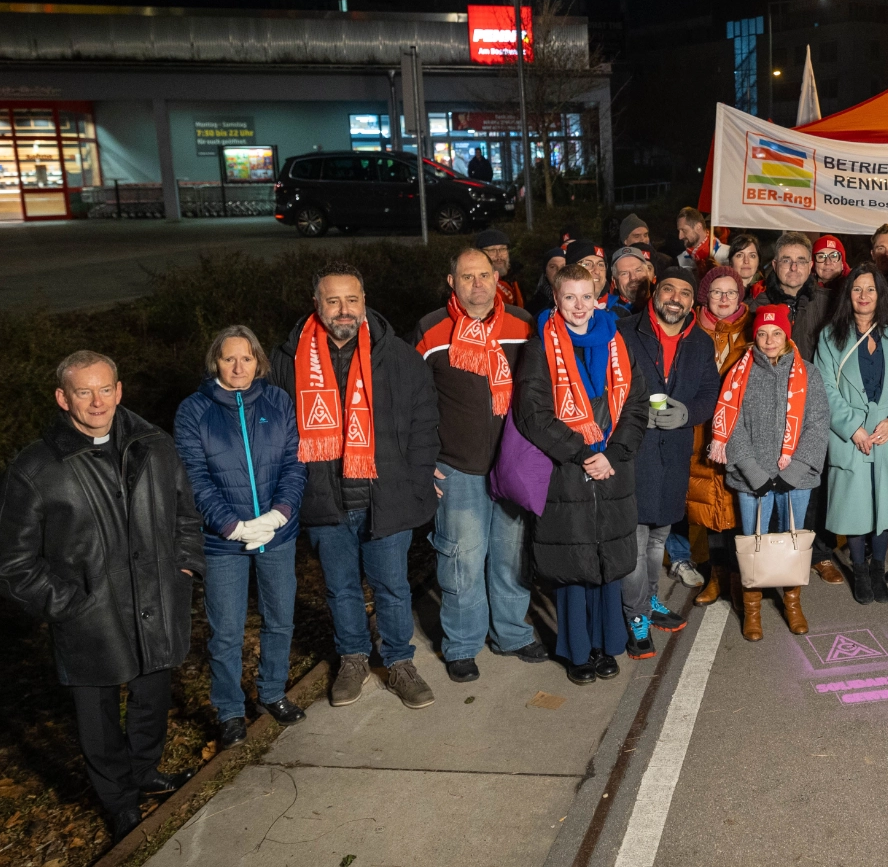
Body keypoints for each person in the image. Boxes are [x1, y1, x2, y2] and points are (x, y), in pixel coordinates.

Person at [0, 351, 204, 838]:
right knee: (99, 719)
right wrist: (69, 604)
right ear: (63, 397)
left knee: (152, 697)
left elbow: (185, 514)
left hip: (156, 602)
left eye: (105, 389)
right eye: (83, 392)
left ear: (120, 390)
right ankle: (119, 800)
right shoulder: (37, 467)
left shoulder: (153, 444)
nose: (97, 401)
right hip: (91, 616)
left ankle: (145, 771)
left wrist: (184, 568)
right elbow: (10, 564)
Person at [269, 263, 440, 710]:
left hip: (385, 499)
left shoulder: (399, 356)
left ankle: (400, 662)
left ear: (364, 301)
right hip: (324, 498)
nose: (343, 310)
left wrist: (417, 480)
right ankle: (353, 658)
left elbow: (425, 423)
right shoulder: (286, 360)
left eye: (352, 300)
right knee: (340, 588)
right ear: (317, 304)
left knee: (392, 587)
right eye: (333, 300)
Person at [410, 246, 548, 684]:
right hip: (457, 466)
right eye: (467, 276)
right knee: (461, 560)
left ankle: (510, 633)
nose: (477, 284)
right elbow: (413, 401)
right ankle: (462, 644)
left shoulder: (523, 325)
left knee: (511, 556)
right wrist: (422, 459)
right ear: (452, 282)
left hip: (511, 464)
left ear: (497, 276)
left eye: (484, 275)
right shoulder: (432, 331)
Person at [174, 327, 309, 750]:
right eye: (229, 359)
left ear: (259, 362)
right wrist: (231, 525)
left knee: (279, 618)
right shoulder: (193, 411)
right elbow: (193, 476)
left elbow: (294, 462)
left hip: (277, 533)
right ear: (215, 361)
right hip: (222, 541)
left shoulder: (278, 401)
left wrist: (277, 515)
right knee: (227, 631)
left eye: (246, 359)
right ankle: (230, 710)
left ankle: (271, 692)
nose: (238, 368)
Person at [515, 265, 651, 684]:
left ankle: (606, 644)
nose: (578, 306)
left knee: (607, 560)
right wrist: (580, 453)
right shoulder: (540, 346)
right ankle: (576, 651)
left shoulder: (618, 341)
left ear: (599, 297)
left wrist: (614, 452)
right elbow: (532, 414)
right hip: (567, 471)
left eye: (585, 296)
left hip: (612, 468)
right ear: (556, 299)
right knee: (572, 563)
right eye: (569, 297)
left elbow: (637, 404)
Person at [709, 304, 830, 640]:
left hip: (796, 478)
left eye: (776, 332)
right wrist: (754, 473)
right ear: (755, 335)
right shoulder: (738, 374)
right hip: (753, 480)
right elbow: (731, 427)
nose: (769, 340)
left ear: (786, 335)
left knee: (792, 543)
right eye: (762, 333)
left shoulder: (809, 372)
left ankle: (792, 604)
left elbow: (818, 424)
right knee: (754, 544)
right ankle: (753, 609)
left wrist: (794, 472)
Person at [618, 266, 721, 658]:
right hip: (634, 452)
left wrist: (689, 414)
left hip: (674, 454)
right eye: (667, 289)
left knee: (659, 536)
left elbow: (710, 391)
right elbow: (609, 386)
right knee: (634, 539)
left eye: (683, 291)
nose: (674, 297)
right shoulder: (626, 332)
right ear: (653, 293)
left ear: (693, 300)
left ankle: (650, 599)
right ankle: (635, 615)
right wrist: (635, 414)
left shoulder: (699, 342)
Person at [750, 233, 844, 582]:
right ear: (774, 265)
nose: (794, 267)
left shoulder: (829, 301)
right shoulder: (756, 304)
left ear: (811, 265)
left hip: (814, 405)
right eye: (786, 260)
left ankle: (817, 552)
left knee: (813, 478)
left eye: (802, 260)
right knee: (771, 480)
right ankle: (773, 551)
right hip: (769, 406)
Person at [815, 264, 888, 604]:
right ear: (848, 295)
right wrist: (851, 427)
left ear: (880, 294)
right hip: (850, 434)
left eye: (870, 289)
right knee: (855, 506)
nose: (864, 296)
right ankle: (858, 568)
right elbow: (825, 388)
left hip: (887, 432)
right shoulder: (830, 336)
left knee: (886, 504)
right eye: (857, 289)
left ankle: (876, 568)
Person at [687, 266, 754, 605]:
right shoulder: (691, 328)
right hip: (701, 431)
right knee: (709, 508)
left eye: (731, 292)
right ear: (705, 297)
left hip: (741, 432)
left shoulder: (755, 329)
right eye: (717, 292)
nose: (724, 298)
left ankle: (744, 580)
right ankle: (717, 575)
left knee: (740, 506)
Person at [475, 229, 525, 309]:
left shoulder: (516, 278)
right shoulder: (477, 285)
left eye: (502, 249)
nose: (499, 256)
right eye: (492, 250)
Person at [676, 206, 726, 275]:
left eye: (684, 230)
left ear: (698, 227)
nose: (680, 237)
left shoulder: (728, 254)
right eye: (679, 231)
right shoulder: (680, 260)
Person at [611, 246, 655, 315]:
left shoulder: (664, 302)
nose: (633, 277)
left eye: (638, 270)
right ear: (615, 282)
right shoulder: (608, 315)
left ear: (647, 273)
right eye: (624, 273)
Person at [527, 244, 569, 316]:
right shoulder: (534, 306)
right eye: (553, 267)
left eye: (563, 267)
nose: (559, 271)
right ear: (545, 272)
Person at [729, 231, 765, 295]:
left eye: (752, 256)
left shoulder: (768, 293)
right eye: (739, 255)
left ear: (758, 261)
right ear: (731, 262)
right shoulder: (722, 292)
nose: (746, 261)